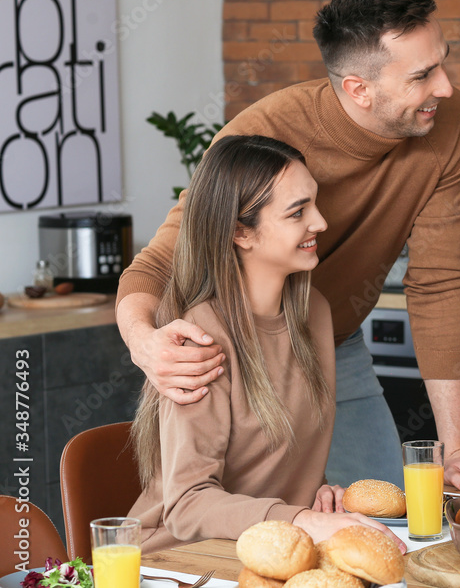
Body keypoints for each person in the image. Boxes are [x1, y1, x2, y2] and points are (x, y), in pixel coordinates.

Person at [116, 0, 460, 493]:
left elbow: (439, 282)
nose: (444, 87)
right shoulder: (263, 133)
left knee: (387, 514)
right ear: (359, 88)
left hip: (333, 340)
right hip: (235, 354)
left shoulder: (449, 121)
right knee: (243, 530)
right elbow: (159, 262)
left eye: (442, 62)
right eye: (422, 75)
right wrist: (143, 343)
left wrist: (458, 449)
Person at [128, 135, 405, 553]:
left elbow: (279, 467)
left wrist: (317, 495)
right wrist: (299, 518)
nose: (321, 223)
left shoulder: (314, 312)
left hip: (265, 549)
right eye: (298, 213)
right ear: (242, 232)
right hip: (175, 561)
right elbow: (186, 506)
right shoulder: (201, 335)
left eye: (314, 203)